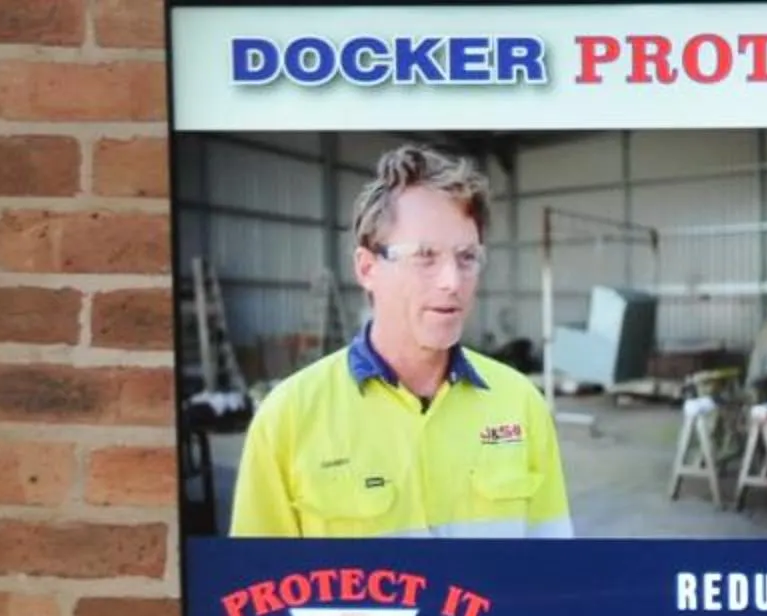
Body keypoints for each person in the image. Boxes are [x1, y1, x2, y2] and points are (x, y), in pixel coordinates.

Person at [231, 144, 571, 538]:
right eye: (425, 255)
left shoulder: (520, 403)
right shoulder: (287, 420)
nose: (452, 281)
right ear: (367, 267)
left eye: (467, 257)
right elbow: (258, 592)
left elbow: (553, 570)